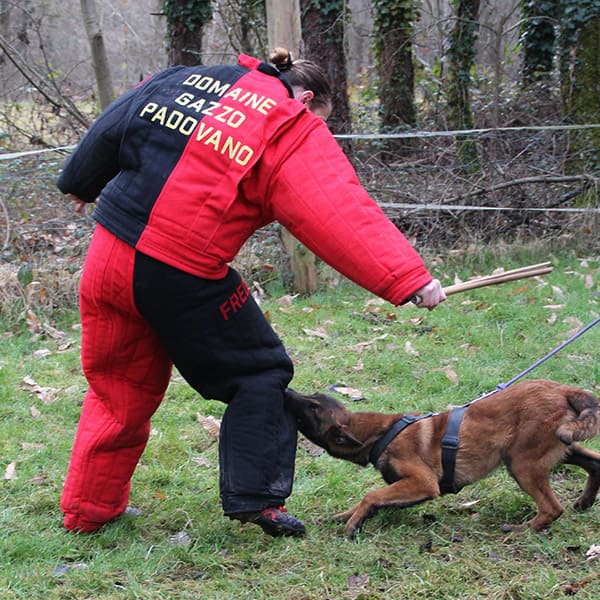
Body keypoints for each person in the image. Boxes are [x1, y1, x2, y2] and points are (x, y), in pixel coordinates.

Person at [56, 48, 446, 538]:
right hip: (178, 272)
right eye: (320, 121)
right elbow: (337, 208)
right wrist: (408, 278)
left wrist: (80, 182)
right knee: (261, 372)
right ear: (305, 100)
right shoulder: (287, 123)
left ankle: (89, 511)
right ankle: (258, 500)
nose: (318, 131)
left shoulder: (187, 79)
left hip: (107, 255)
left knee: (119, 387)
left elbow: (115, 122)